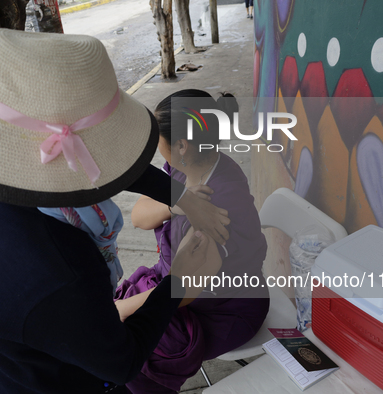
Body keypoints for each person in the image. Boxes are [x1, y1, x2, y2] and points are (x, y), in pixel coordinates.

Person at [0, 29, 228, 393]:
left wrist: (183, 198)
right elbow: (122, 360)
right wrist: (180, 280)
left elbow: (112, 162)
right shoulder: (57, 271)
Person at [114, 90, 270, 393]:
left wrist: (121, 309)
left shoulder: (220, 202)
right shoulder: (187, 168)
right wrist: (176, 203)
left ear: (182, 145)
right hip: (174, 289)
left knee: (132, 344)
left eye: (161, 142)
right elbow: (139, 216)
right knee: (117, 334)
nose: (160, 152)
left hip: (221, 308)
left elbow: (184, 290)